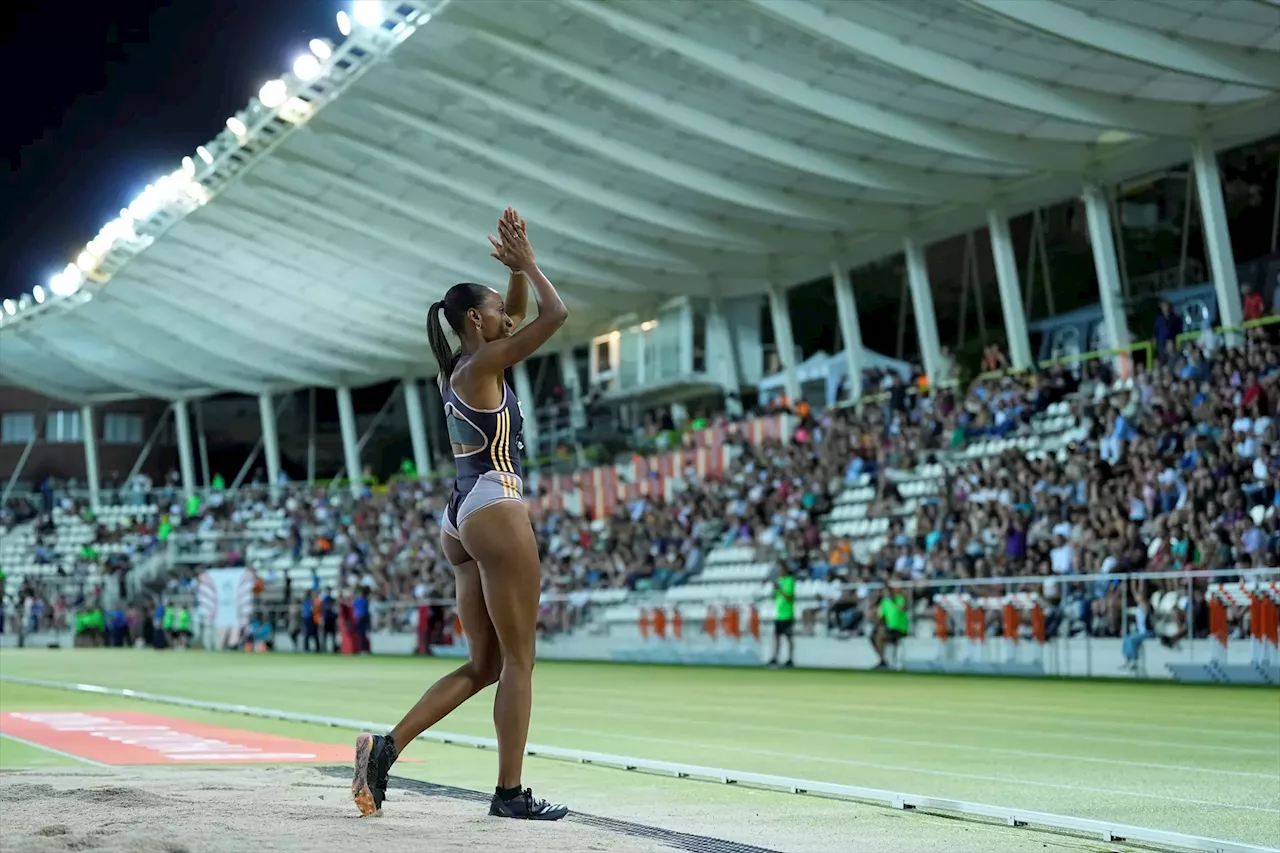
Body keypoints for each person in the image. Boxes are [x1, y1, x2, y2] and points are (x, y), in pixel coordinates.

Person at [352, 208, 569, 820]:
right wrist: (529, 264)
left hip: (460, 515)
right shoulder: (483, 366)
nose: (509, 315)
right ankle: (509, 795)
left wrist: (515, 272)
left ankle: (385, 748)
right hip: (496, 503)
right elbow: (553, 317)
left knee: (483, 664)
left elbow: (522, 317)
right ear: (477, 319)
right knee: (519, 662)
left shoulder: (458, 369)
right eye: (498, 308)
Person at [872, 583, 909, 669]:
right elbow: (881, 617)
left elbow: (903, 609)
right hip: (889, 628)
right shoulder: (884, 602)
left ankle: (883, 660)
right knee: (873, 635)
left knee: (880, 636)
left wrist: (894, 602)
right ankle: (882, 659)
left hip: (900, 628)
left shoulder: (899, 599)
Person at [768, 561, 796, 668]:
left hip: (787, 614)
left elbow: (789, 596)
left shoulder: (789, 580)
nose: (779, 571)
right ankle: (775, 657)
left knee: (789, 638)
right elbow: (774, 597)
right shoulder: (779, 581)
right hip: (779, 614)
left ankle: (790, 659)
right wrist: (774, 589)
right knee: (776, 637)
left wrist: (779, 588)